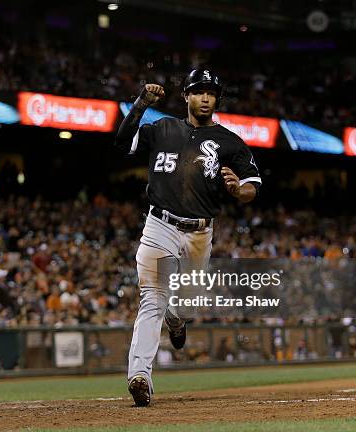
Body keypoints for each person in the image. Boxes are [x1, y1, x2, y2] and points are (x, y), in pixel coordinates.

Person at [115, 69, 261, 406]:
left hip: (200, 232)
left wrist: (240, 190)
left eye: (211, 92)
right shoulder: (163, 128)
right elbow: (123, 143)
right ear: (186, 96)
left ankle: (177, 320)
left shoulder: (229, 141)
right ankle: (140, 376)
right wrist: (139, 105)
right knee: (152, 298)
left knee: (188, 302)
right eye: (198, 91)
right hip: (159, 225)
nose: (205, 97)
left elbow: (254, 184)